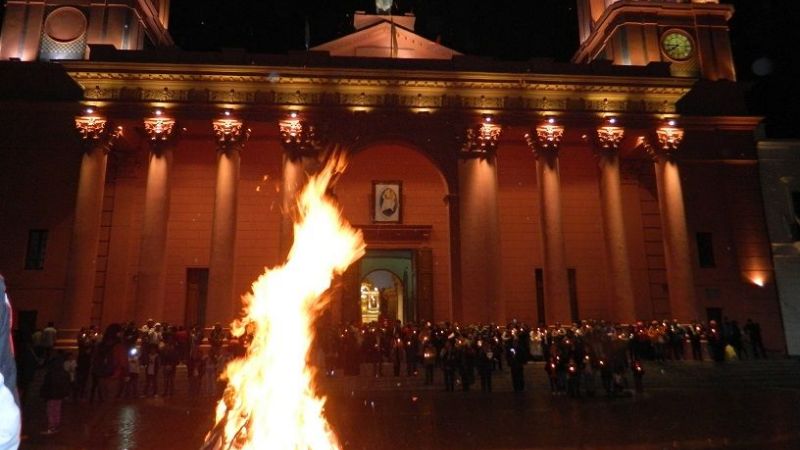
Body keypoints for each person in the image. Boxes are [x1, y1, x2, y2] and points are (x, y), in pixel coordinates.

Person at [39, 353, 71, 435]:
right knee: (57, 409)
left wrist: (43, 394)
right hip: (59, 395)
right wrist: (66, 394)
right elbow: (66, 385)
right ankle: (56, 425)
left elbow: (46, 385)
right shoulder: (64, 373)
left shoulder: (50, 373)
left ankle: (52, 426)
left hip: (51, 395)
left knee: (50, 410)